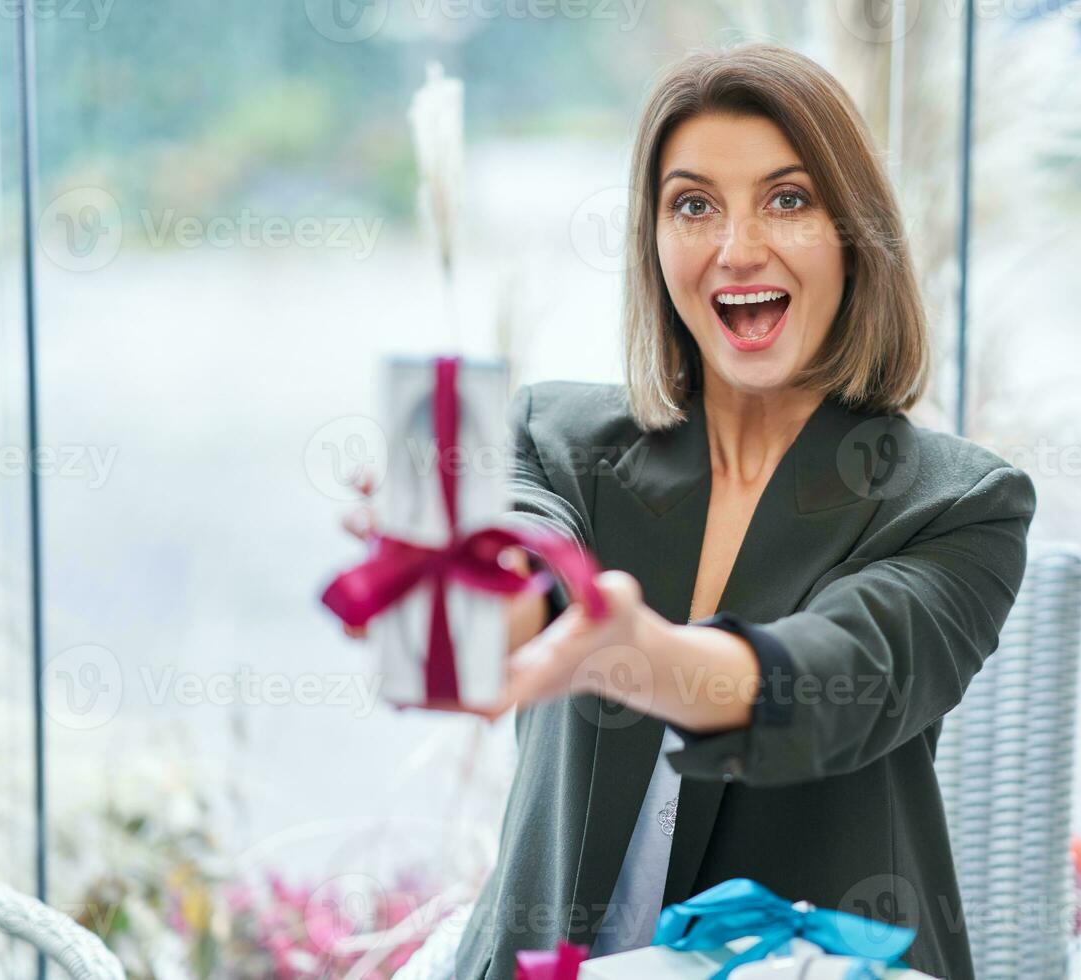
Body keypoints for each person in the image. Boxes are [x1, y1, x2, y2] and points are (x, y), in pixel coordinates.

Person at [397, 42, 1035, 980]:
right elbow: (530, 556)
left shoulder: (960, 503)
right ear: (652, 242)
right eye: (693, 205)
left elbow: (837, 679)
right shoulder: (556, 434)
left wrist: (630, 652)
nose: (738, 249)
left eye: (789, 200)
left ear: (854, 234)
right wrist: (462, 577)